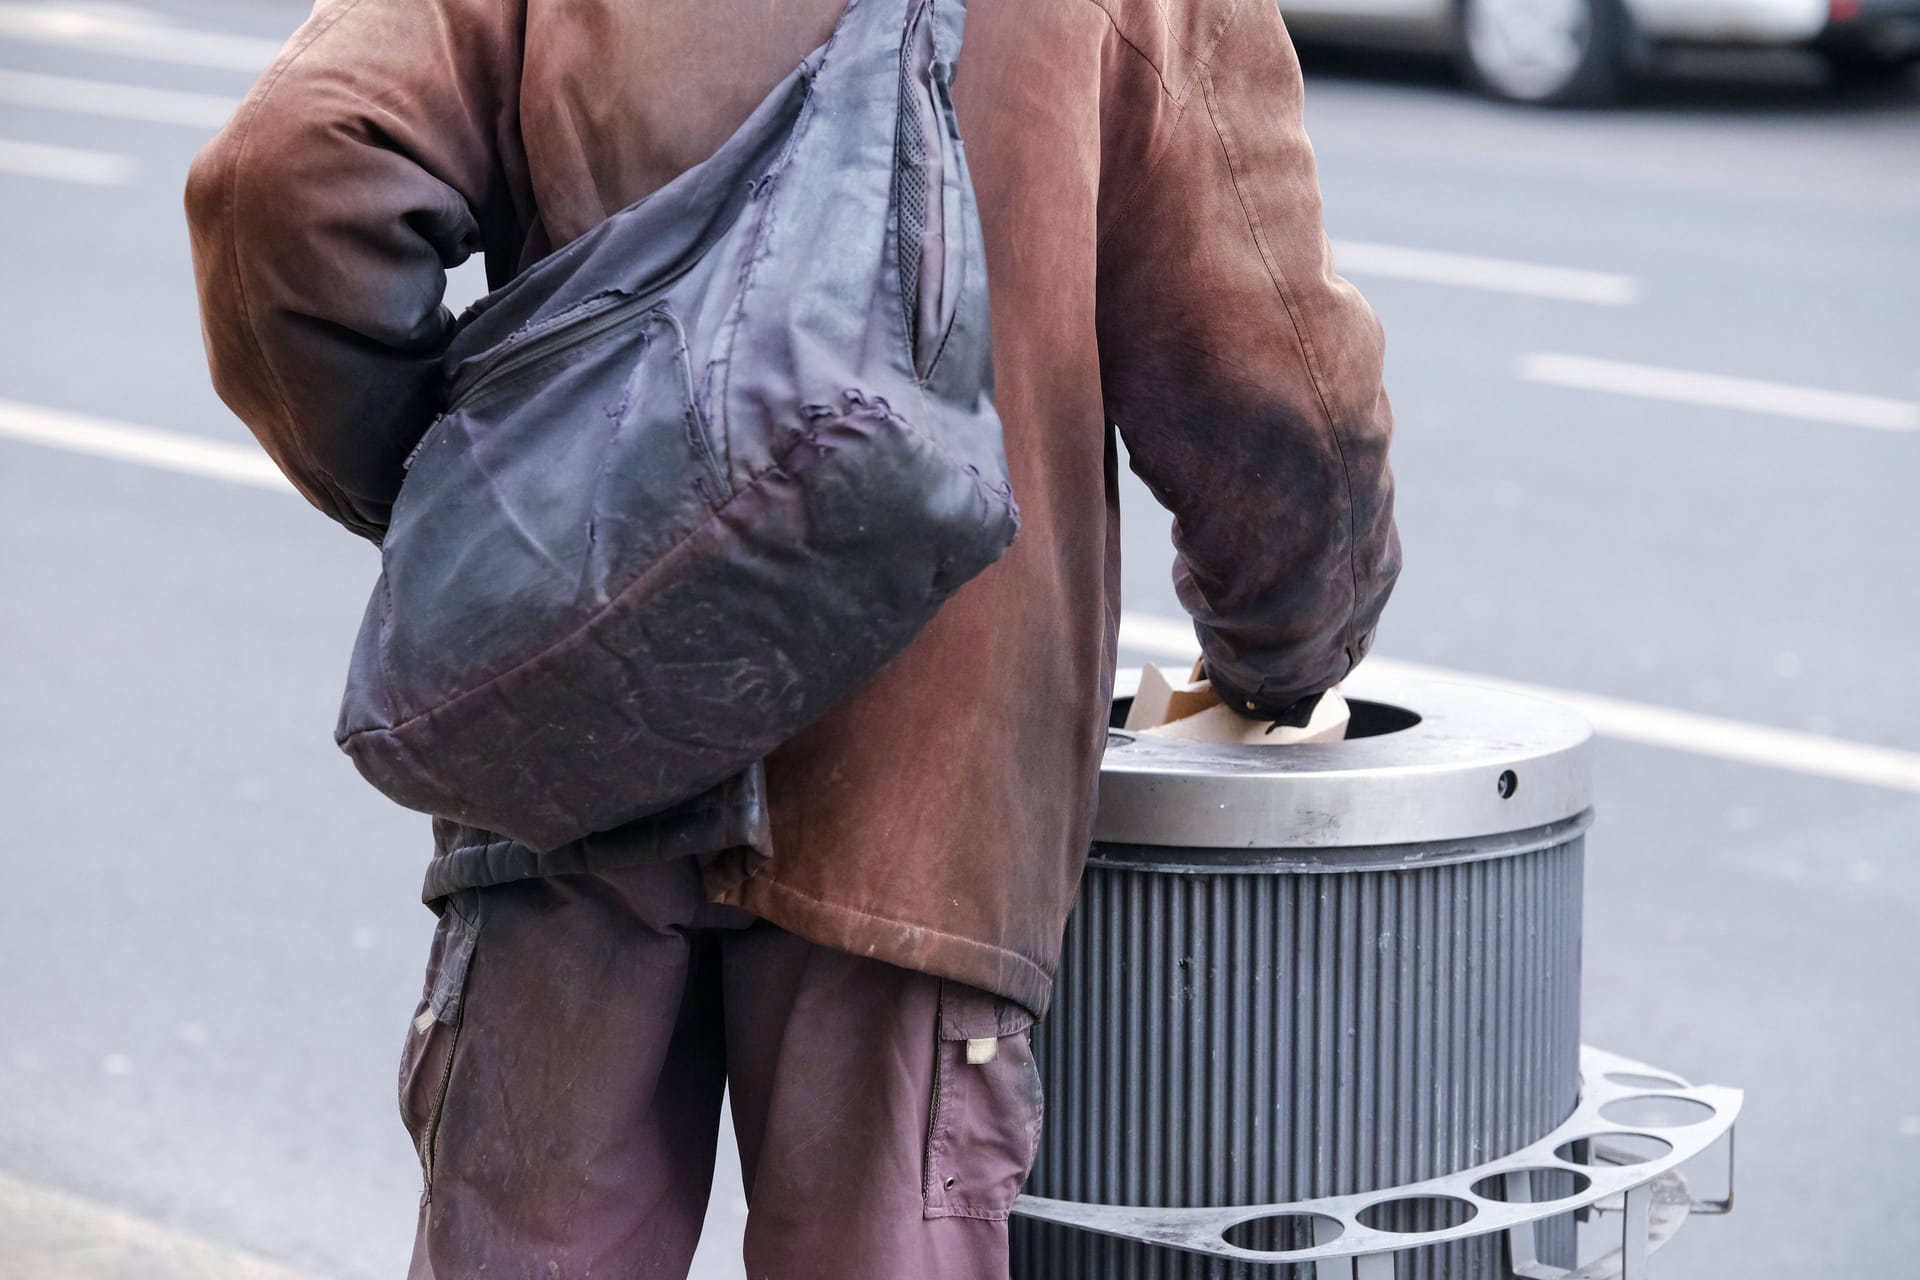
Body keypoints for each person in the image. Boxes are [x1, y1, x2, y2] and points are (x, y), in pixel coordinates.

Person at [185, 0, 1399, 1275]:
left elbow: (285, 175)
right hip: (921, 803)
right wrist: (1287, 655)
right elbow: (1280, 391)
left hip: (577, 729)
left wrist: (509, 535)